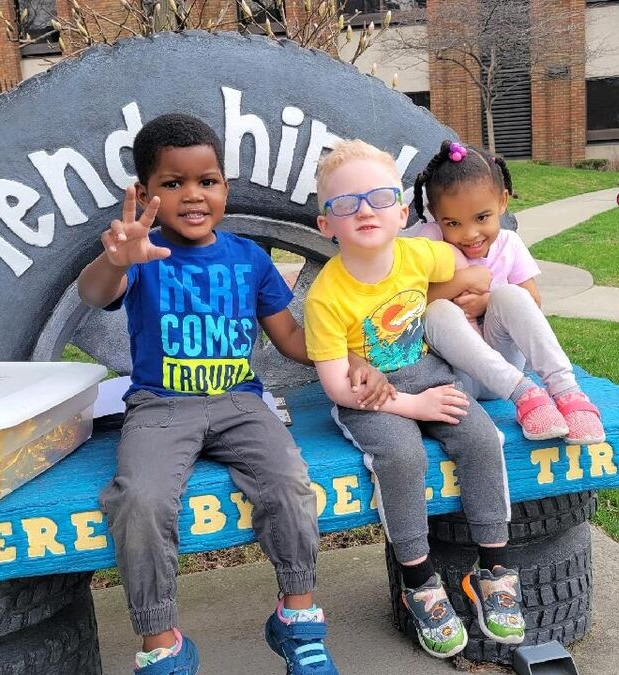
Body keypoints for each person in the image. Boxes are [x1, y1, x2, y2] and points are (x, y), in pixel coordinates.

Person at [78, 113, 390, 675]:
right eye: (173, 184)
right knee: (140, 499)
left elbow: (293, 337)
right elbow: (97, 290)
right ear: (145, 193)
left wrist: (350, 358)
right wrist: (116, 259)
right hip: (160, 405)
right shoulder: (141, 255)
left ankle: (297, 618)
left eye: (208, 181)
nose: (193, 196)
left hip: (240, 402)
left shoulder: (248, 258)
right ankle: (161, 640)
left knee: (290, 481)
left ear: (225, 186)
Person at [303, 139, 527, 659]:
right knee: (402, 456)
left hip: (429, 373)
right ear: (325, 224)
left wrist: (469, 282)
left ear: (402, 212)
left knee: (479, 435)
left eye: (379, 198)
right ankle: (419, 580)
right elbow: (339, 386)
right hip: (370, 398)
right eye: (345, 204)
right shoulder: (326, 296)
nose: (364, 211)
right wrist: (413, 408)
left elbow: (467, 273)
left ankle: (492, 569)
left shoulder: (419, 252)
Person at [410, 140, 606, 445]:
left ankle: (566, 391)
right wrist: (466, 279)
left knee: (512, 295)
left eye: (481, 218)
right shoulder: (429, 243)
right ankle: (526, 395)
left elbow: (534, 302)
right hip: (457, 378)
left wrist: (486, 301)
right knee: (436, 311)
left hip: (505, 359)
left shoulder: (509, 243)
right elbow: (412, 302)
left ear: (502, 202)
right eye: (453, 223)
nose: (470, 233)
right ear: (435, 215)